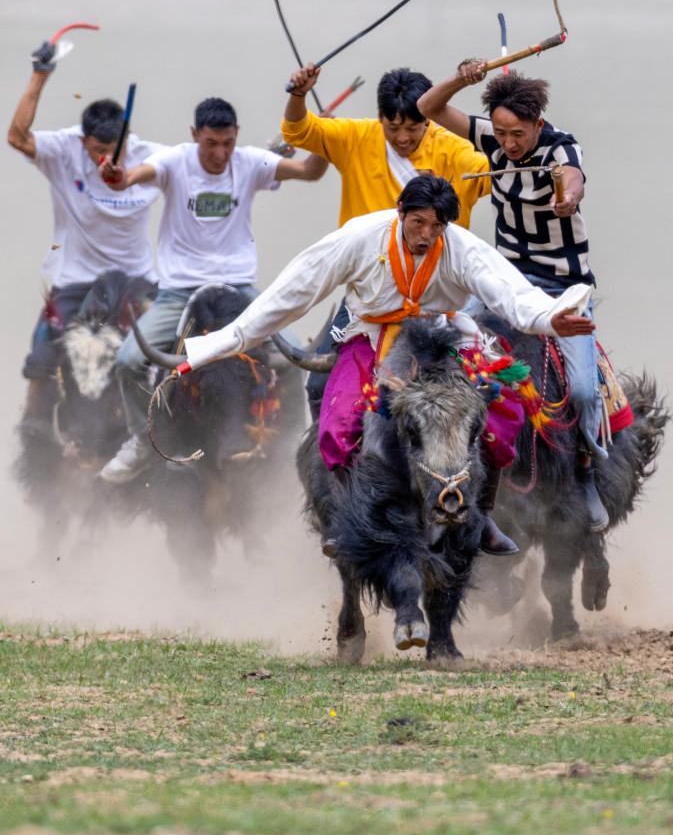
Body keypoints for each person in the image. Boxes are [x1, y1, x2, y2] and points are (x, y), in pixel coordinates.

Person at [179, 175, 595, 552]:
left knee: (504, 414)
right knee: (336, 425)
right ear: (400, 212)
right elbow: (292, 291)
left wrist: (550, 318)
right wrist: (212, 347)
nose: (426, 235)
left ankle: (481, 514)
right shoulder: (360, 237)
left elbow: (510, 293)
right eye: (418, 223)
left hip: (443, 339)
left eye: (436, 227)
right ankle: (352, 514)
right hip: (372, 339)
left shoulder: (461, 248)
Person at [416, 63, 609, 531]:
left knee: (584, 390)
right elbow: (427, 107)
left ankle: (586, 470)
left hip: (563, 288)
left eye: (518, 134)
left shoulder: (560, 147)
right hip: (504, 283)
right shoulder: (491, 138)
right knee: (442, 341)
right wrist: (463, 79)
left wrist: (568, 197)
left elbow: (572, 177)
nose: (508, 144)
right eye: (501, 134)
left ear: (538, 125)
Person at [98, 96, 327, 483]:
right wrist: (117, 177)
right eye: (211, 144)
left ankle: (291, 444)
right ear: (194, 135)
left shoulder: (251, 162)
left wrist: (322, 138)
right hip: (179, 292)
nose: (220, 154)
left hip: (239, 289)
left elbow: (309, 171)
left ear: (237, 136)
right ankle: (142, 440)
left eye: (228, 143)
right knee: (127, 361)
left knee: (292, 357)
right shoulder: (174, 162)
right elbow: (131, 176)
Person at [282, 62, 492, 422]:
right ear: (380, 118)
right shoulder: (355, 137)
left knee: (492, 387)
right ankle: (326, 457)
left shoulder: (455, 151)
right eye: (393, 128)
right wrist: (299, 94)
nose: (403, 138)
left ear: (429, 121)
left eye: (413, 128)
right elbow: (298, 130)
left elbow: (494, 172)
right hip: (370, 295)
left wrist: (509, 137)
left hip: (439, 297)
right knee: (318, 386)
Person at [7, 39, 164, 432]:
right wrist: (40, 75)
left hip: (136, 281)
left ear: (128, 139)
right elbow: (17, 137)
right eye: (96, 151)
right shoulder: (63, 150)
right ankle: (35, 430)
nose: (105, 160)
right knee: (42, 358)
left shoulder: (151, 156)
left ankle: (160, 433)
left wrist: (275, 155)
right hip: (76, 280)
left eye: (113, 151)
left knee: (164, 357)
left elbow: (209, 161)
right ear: (83, 141)